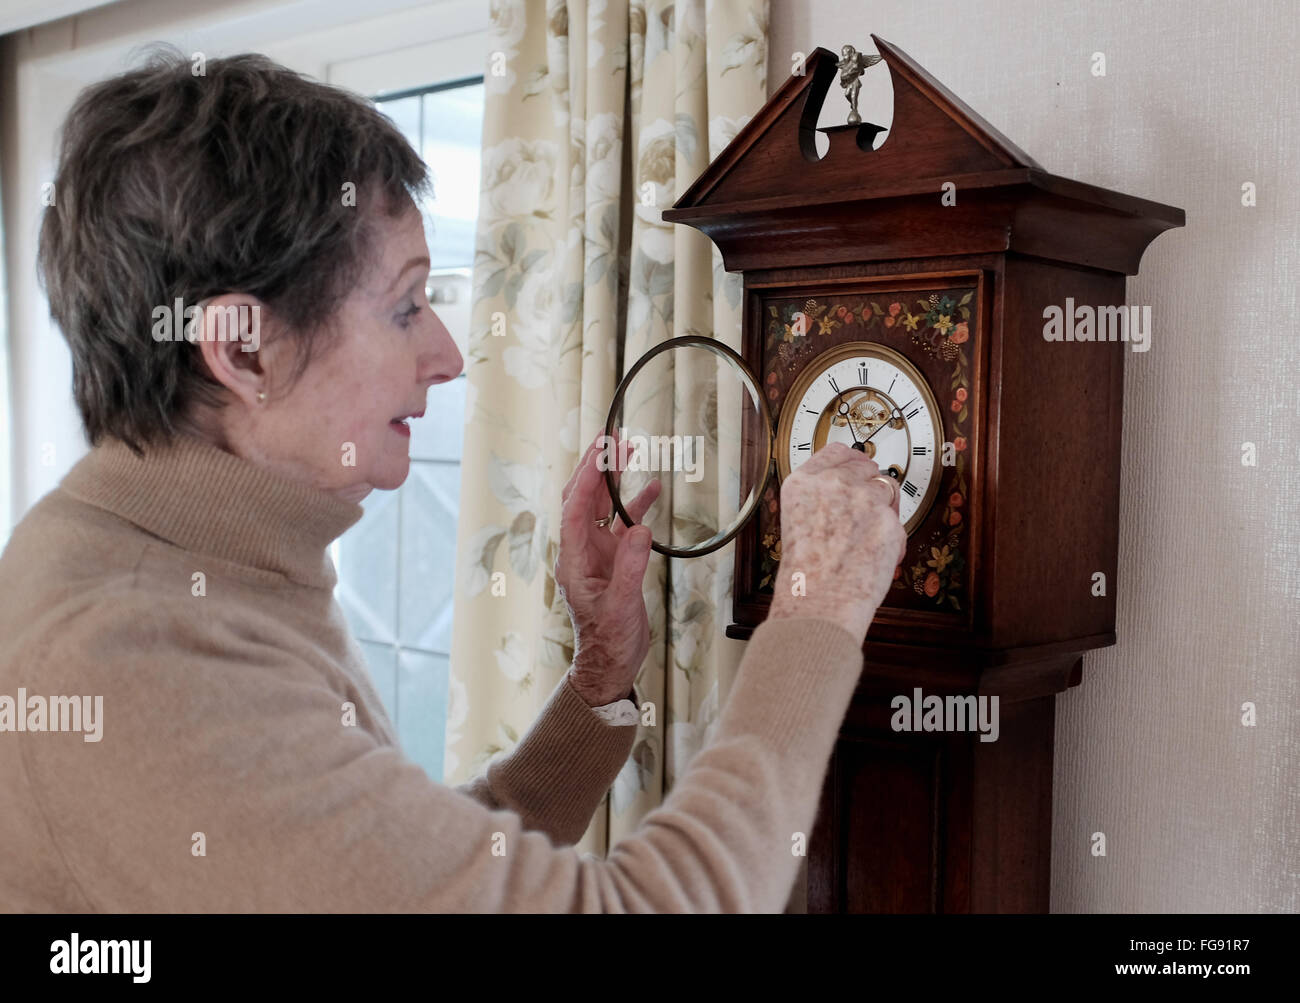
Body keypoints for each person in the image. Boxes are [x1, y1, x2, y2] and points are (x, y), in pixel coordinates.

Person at [0, 49, 906, 912]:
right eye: (405, 305)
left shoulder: (205, 556)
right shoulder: (137, 654)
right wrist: (817, 612)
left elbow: (385, 884)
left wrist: (597, 680)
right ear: (244, 346)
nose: (448, 354)